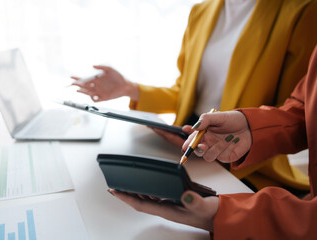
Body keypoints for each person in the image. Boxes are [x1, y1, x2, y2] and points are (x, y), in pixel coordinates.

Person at [72, 0, 317, 191]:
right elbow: (186, 93)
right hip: (185, 144)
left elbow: (291, 113)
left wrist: (219, 146)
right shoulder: (202, 11)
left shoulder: (302, 11)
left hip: (247, 165)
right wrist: (129, 88)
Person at [109, 44, 317, 239]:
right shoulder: (202, 10)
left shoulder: (301, 10)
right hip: (208, 142)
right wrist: (252, 126)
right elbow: (303, 106)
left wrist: (226, 215)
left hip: (255, 177)